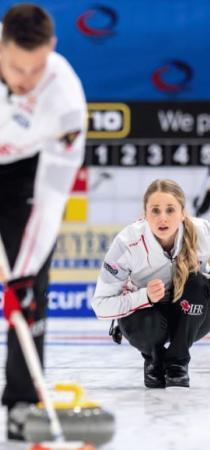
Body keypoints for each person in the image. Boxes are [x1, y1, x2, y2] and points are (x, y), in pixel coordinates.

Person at [0, 4, 86, 441]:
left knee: (28, 291)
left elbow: (52, 199)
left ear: (51, 48)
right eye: (16, 67)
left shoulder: (66, 100)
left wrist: (21, 274)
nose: (25, 81)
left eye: (36, 69)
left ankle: (20, 401)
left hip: (23, 173)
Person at [91, 179, 210, 390]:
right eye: (155, 211)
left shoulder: (204, 232)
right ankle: (154, 359)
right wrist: (144, 297)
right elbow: (100, 305)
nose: (163, 218)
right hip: (144, 320)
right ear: (144, 214)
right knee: (149, 321)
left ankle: (177, 363)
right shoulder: (126, 243)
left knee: (197, 282)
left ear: (183, 213)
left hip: (192, 317)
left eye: (170, 210)